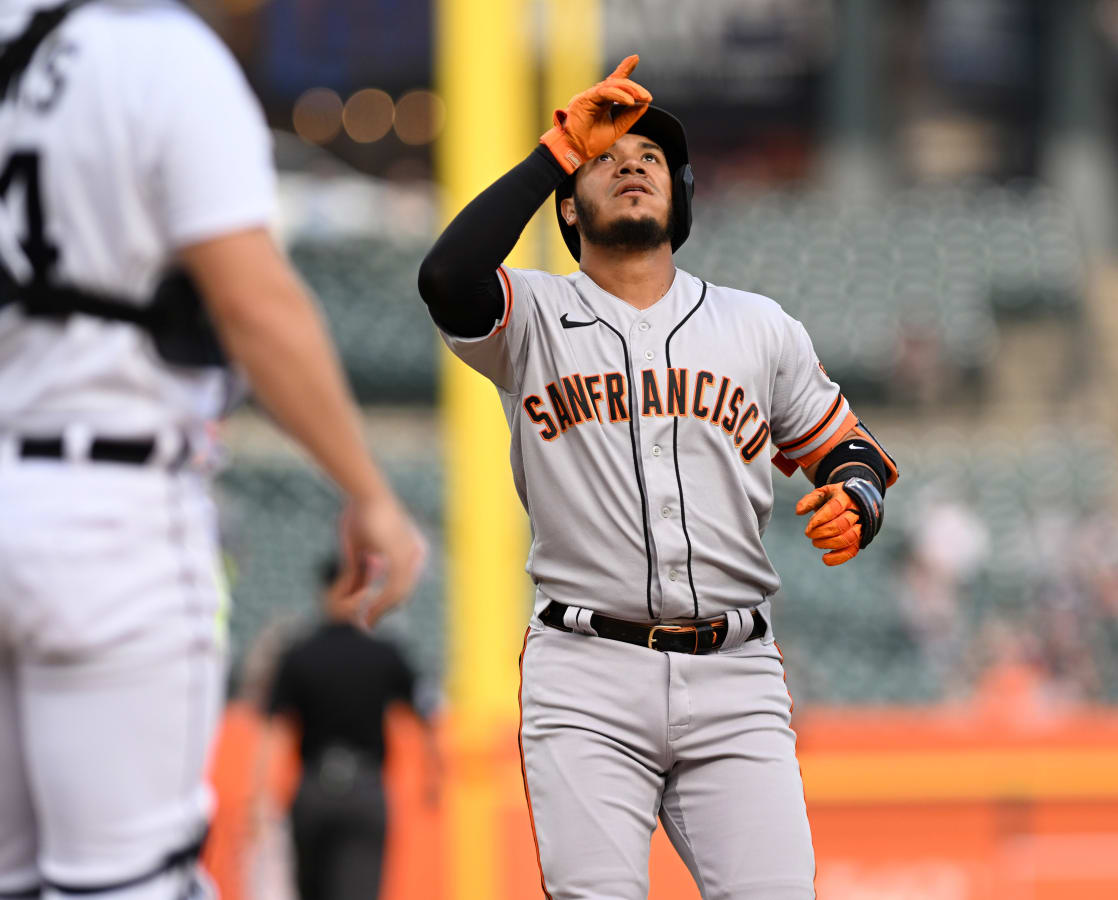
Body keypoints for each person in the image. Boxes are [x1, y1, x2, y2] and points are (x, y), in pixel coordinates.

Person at [418, 55, 899, 899]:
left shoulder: (757, 326)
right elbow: (447, 279)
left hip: (736, 671)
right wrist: (554, 151)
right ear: (568, 202)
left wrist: (857, 501)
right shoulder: (530, 317)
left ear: (680, 199)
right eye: (607, 158)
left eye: (650, 157)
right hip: (586, 673)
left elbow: (849, 449)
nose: (632, 162)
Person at [0, 3, 425, 898]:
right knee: (129, 883)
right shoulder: (160, 55)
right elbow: (255, 306)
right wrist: (368, 489)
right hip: (108, 510)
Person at [257, 558, 441, 900]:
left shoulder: (299, 653)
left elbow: (273, 730)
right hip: (364, 791)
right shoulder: (383, 653)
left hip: (313, 790)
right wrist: (434, 777)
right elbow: (427, 714)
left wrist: (260, 801)